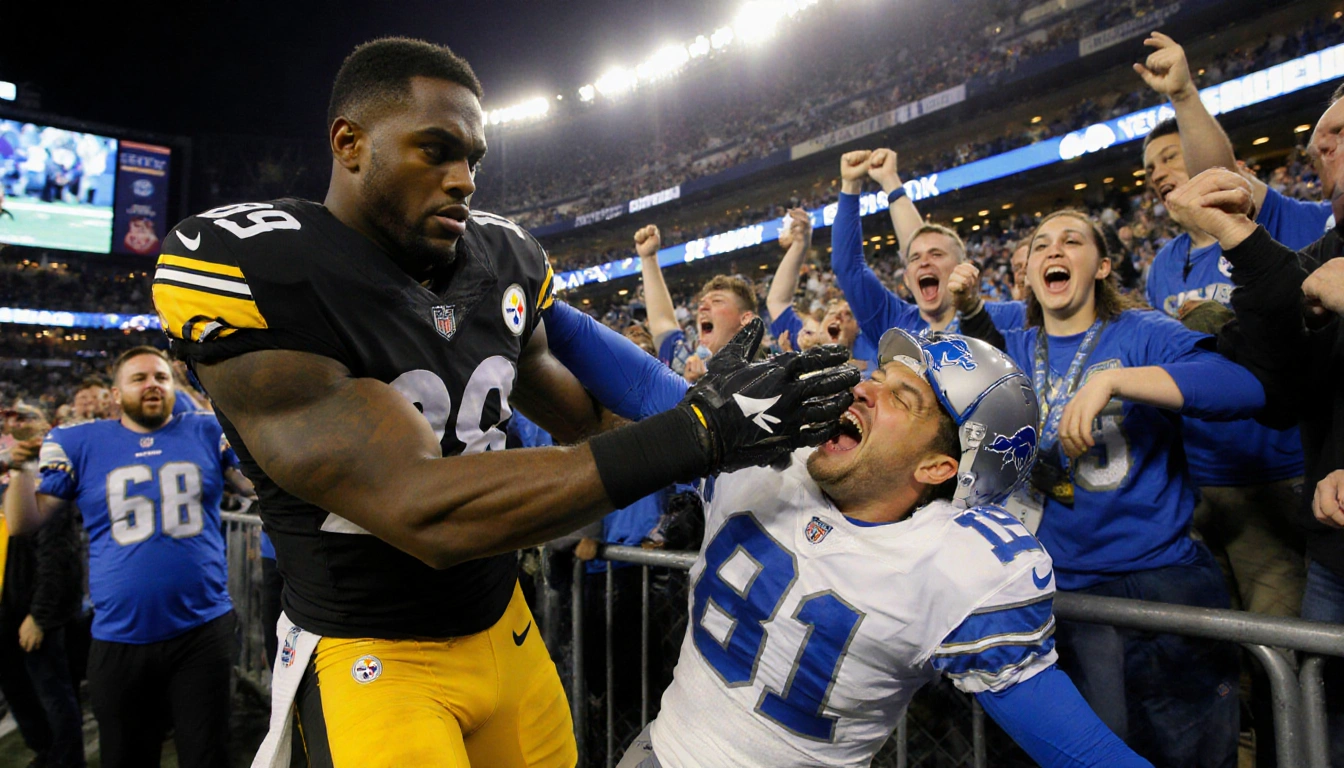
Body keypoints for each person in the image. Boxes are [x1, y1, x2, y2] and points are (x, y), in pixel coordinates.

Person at [150, 38, 855, 768]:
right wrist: (700, 430)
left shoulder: (500, 258)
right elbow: (423, 508)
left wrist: (753, 436)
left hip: (505, 626)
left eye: (473, 160)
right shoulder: (258, 267)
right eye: (436, 151)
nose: (463, 180)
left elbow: (590, 419)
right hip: (374, 652)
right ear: (350, 143)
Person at [539, 298, 1150, 767]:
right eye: (876, 375)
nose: (863, 388)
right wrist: (537, 299)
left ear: (940, 467)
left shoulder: (960, 563)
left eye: (901, 398)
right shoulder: (774, 452)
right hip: (661, 749)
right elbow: (649, 388)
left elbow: (1086, 754)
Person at [957, 209, 1269, 767]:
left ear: (1102, 266)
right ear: (1026, 273)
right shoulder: (1014, 352)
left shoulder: (1142, 333)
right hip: (1064, 594)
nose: (1054, 251)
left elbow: (1243, 385)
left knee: (1190, 753)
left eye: (1071, 241)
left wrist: (1117, 379)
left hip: (1159, 582)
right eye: (1041, 244)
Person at [1135, 32, 1330, 620]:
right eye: (1149, 167)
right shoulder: (1162, 264)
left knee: (1281, 635)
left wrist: (1183, 97)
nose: (1158, 172)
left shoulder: (1276, 225)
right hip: (1202, 479)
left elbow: (1217, 176)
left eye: (1171, 156)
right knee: (1230, 643)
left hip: (1278, 472)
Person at [1167, 151, 1344, 765]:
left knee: (1291, 678)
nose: (1323, 150)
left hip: (1278, 485)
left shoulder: (1302, 228)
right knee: (1310, 717)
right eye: (1319, 144)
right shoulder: (1323, 253)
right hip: (1325, 543)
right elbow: (1281, 384)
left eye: (1338, 132)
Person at [3, 347, 252, 768]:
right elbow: (25, 522)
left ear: (173, 387)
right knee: (125, 756)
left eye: (160, 376)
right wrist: (22, 468)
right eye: (139, 378)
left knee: (208, 754)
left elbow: (252, 487)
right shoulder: (78, 440)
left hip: (202, 630)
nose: (152, 384)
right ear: (116, 394)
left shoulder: (207, 429)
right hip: (120, 634)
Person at [833, 149, 1025, 346]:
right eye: (915, 258)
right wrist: (850, 185)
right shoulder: (893, 322)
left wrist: (890, 181)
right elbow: (847, 267)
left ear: (964, 268)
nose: (924, 262)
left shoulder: (1009, 317)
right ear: (907, 279)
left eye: (936, 254)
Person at [0, 403, 84, 768]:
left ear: (46, 425)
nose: (17, 421)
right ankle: (46, 754)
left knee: (54, 694)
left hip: (37, 612)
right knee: (19, 692)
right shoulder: (12, 472)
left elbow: (58, 557)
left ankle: (66, 761)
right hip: (8, 609)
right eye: (12, 417)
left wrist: (40, 616)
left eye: (27, 416)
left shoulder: (54, 474)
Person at [636, 224, 758, 381]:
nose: (702, 308)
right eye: (702, 302)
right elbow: (662, 321)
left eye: (717, 301)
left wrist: (701, 387)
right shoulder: (683, 359)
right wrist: (648, 259)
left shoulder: (764, 376)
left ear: (746, 321)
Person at [766, 208, 878, 371]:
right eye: (832, 313)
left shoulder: (872, 347)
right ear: (819, 329)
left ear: (857, 329)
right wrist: (800, 245)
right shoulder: (809, 343)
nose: (839, 316)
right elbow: (777, 301)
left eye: (848, 315)